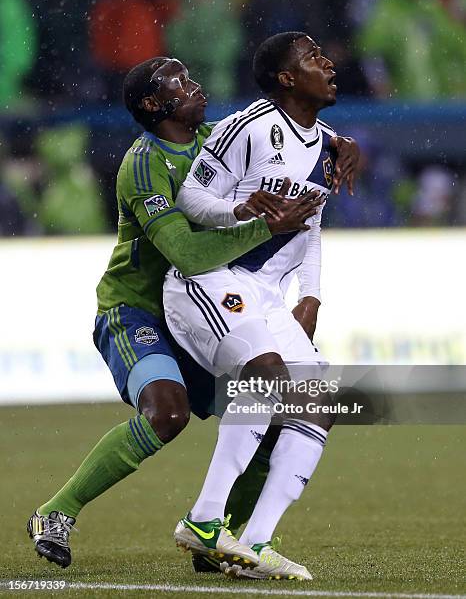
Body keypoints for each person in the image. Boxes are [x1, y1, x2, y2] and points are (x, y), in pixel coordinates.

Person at [25, 55, 331, 570]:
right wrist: (265, 229)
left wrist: (341, 144)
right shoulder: (144, 164)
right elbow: (186, 255)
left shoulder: (217, 137)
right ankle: (56, 512)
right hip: (137, 311)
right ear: (152, 103)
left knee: (278, 407)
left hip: (200, 308)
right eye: (180, 81)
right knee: (167, 412)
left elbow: (286, 137)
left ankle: (222, 541)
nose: (196, 86)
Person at [164, 32, 358, 580]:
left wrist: (312, 295)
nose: (328, 62)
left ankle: (256, 542)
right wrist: (241, 209)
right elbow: (192, 199)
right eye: (313, 57)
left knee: (315, 398)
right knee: (269, 377)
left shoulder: (327, 145)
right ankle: (204, 521)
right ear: (286, 79)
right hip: (211, 276)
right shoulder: (247, 127)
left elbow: (312, 227)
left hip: (268, 293)